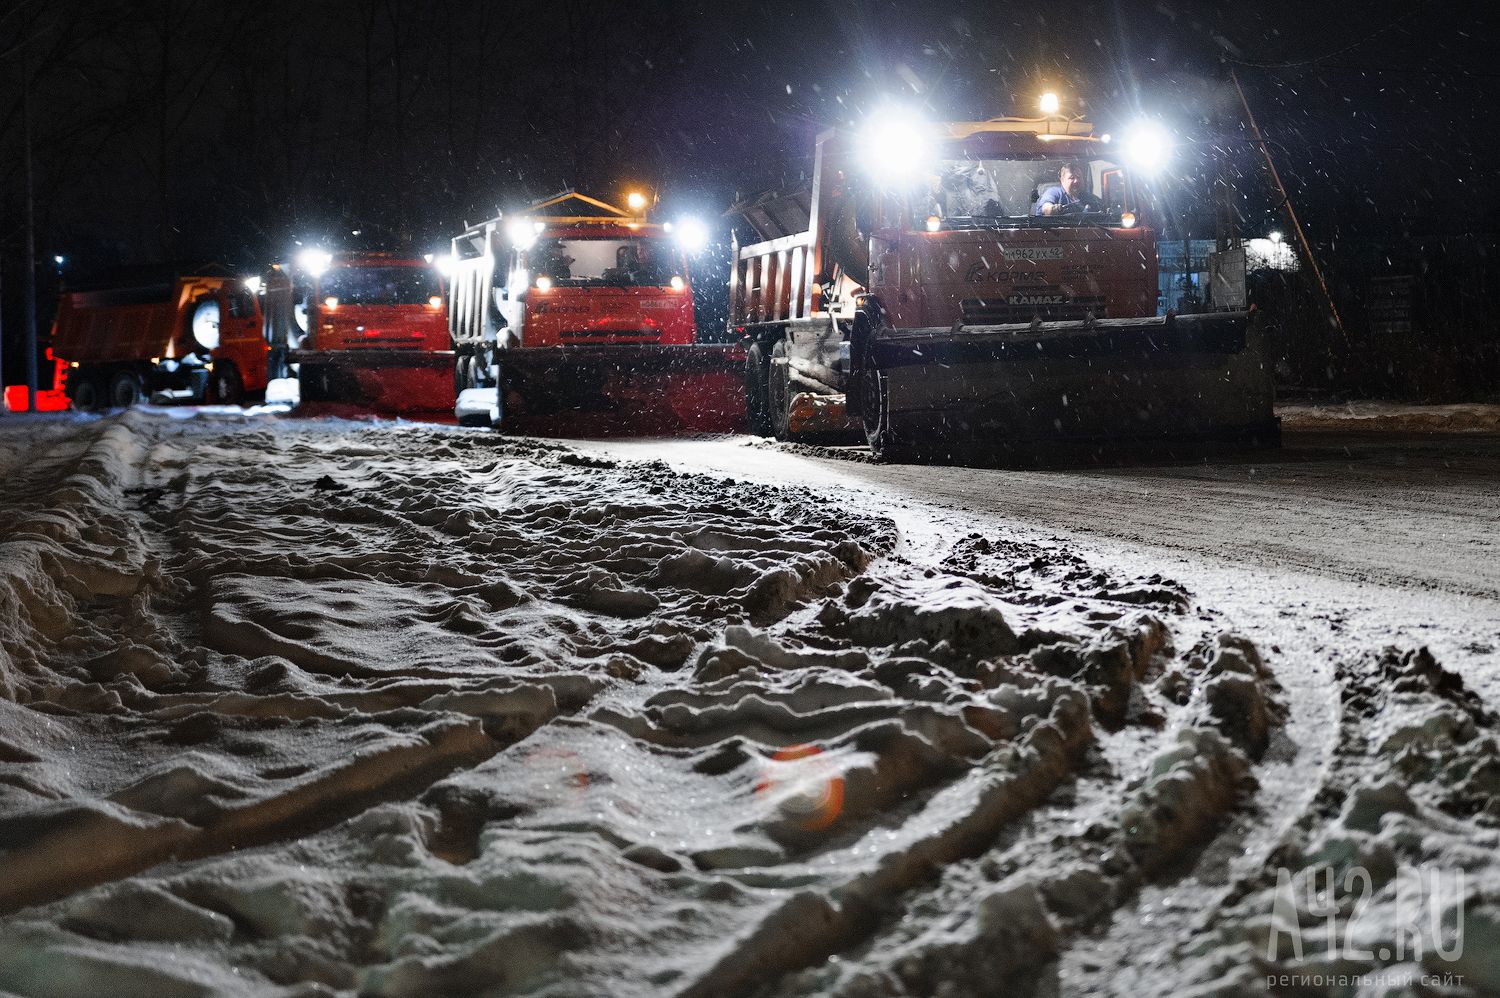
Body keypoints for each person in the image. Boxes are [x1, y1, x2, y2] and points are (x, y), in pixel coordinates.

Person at [1032, 162, 1103, 216]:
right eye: (1072, 178)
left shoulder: (1090, 198)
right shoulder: (1054, 193)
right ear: (1062, 179)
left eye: (1079, 177)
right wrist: (1053, 209)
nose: (1076, 181)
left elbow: (1104, 210)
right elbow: (1046, 208)